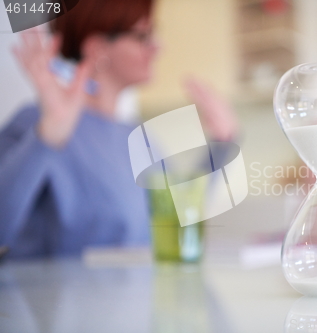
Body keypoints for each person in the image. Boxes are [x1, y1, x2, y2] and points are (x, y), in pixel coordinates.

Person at [0, 0, 238, 258]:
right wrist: (47, 136)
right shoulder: (35, 124)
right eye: (143, 36)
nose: (158, 47)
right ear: (98, 48)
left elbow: (177, 215)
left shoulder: (138, 137)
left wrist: (221, 146)